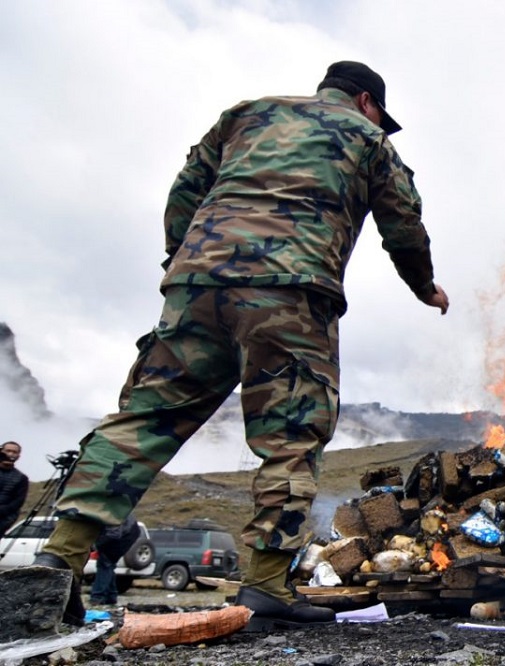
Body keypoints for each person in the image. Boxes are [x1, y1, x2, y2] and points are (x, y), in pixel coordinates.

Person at [33, 60, 449, 630]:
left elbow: (185, 190)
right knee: (291, 436)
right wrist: (425, 288)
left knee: (144, 420)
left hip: (197, 285)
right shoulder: (369, 137)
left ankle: (57, 560)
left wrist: (186, 259)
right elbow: (403, 224)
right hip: (290, 294)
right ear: (366, 102)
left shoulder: (246, 114)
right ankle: (266, 586)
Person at [88, 514, 140, 606]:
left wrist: (98, 546)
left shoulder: (109, 514)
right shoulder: (103, 511)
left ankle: (97, 597)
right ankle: (111, 596)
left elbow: (113, 534)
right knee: (109, 564)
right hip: (129, 532)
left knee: (105, 563)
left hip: (123, 535)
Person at [0, 441, 28, 536]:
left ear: (18, 456)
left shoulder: (21, 478)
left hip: (4, 518)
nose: (10, 454)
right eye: (8, 451)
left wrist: (3, 511)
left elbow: (18, 501)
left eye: (14, 452)